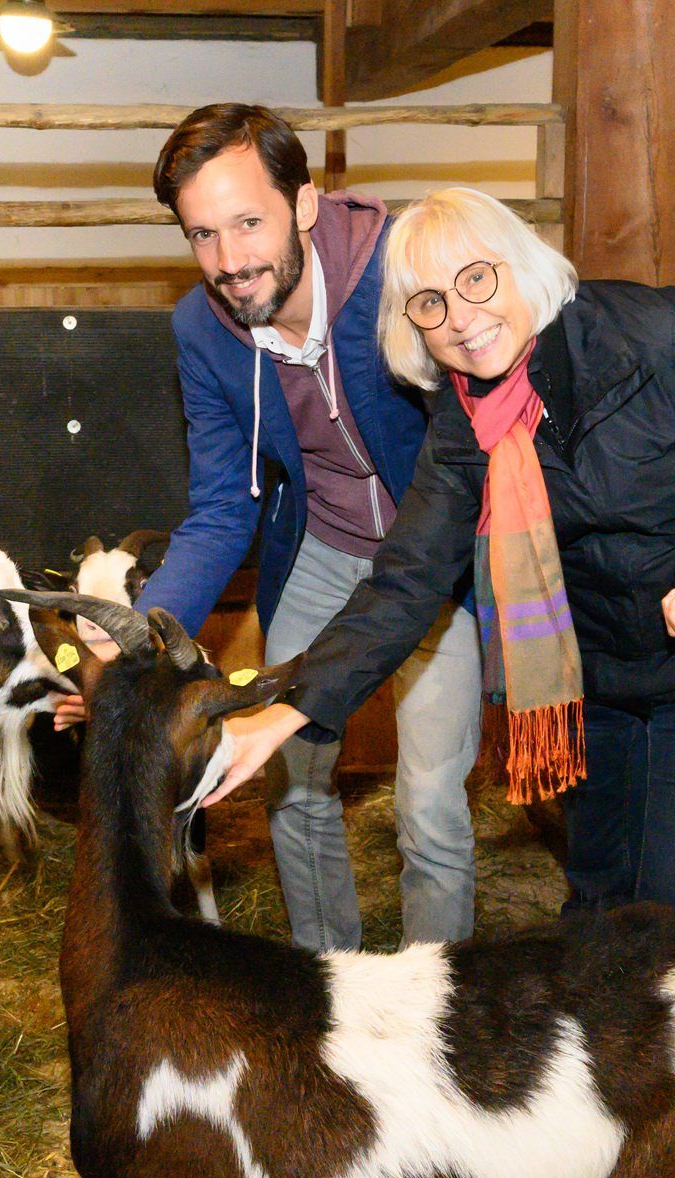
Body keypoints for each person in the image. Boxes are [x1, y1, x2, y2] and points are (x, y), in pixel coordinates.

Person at [207, 186, 675, 922]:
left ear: (519, 264)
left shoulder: (657, 337)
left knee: (672, 908)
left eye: (476, 278)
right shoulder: (463, 424)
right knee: (599, 896)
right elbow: (403, 583)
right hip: (591, 674)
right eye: (429, 302)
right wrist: (285, 709)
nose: (461, 319)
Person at [65, 103, 484, 952]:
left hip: (434, 567)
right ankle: (327, 991)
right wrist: (137, 637)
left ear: (303, 203)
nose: (228, 260)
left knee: (429, 805)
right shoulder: (200, 329)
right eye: (202, 236)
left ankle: (440, 1006)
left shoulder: (403, 273)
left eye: (247, 222)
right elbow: (224, 507)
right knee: (286, 778)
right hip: (325, 552)